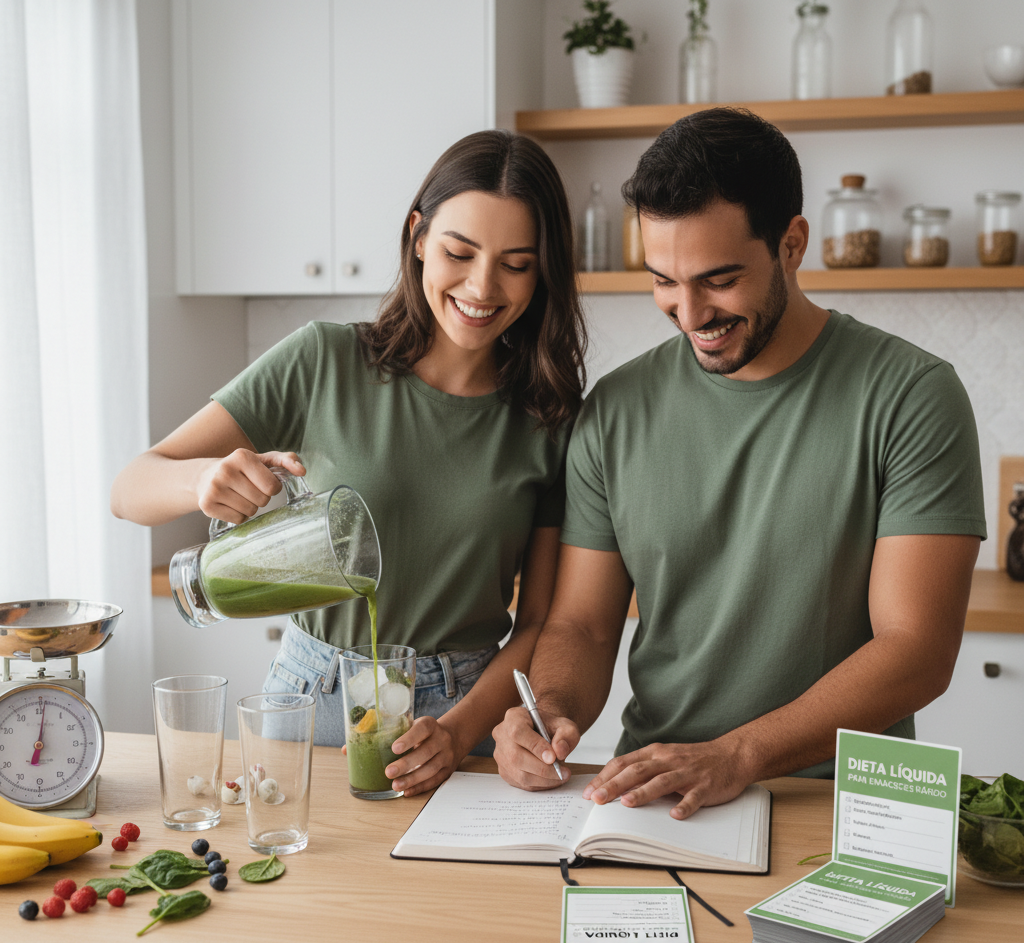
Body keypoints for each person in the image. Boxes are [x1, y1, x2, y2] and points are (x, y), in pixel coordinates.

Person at [492, 107, 986, 820]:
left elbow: (917, 649)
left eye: (718, 280)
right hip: (657, 798)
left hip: (843, 804)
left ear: (791, 245)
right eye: (663, 280)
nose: (689, 312)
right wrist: (550, 712)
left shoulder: (911, 396)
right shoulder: (617, 409)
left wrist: (739, 754)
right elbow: (583, 625)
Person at [112, 129, 587, 797]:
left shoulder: (550, 418)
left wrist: (456, 730)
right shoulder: (324, 362)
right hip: (313, 698)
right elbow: (129, 488)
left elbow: (538, 620)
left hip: (462, 717)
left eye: (516, 263)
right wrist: (201, 480)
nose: (483, 285)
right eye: (459, 251)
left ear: (542, 273)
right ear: (418, 236)